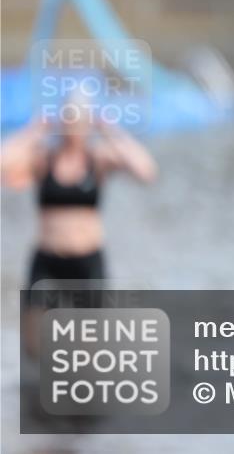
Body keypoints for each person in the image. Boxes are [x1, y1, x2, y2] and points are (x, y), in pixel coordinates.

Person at [1, 103, 158, 357]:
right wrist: (32, 131)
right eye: (68, 121)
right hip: (47, 260)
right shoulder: (44, 159)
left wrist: (111, 131)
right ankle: (38, 390)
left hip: (86, 261)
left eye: (78, 122)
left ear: (87, 125)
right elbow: (3, 164)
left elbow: (146, 172)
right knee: (33, 344)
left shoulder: (97, 160)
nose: (73, 129)